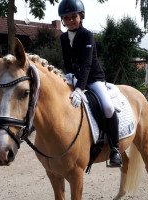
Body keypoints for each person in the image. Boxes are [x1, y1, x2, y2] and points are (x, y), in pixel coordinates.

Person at [58, 0, 122, 167]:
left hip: (93, 79)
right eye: (66, 18)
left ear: (81, 16)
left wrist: (79, 88)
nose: (70, 20)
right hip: (75, 78)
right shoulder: (63, 38)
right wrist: (69, 77)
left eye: (74, 16)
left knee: (108, 107)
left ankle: (115, 149)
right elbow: (67, 62)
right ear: (63, 20)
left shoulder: (87, 35)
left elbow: (87, 64)